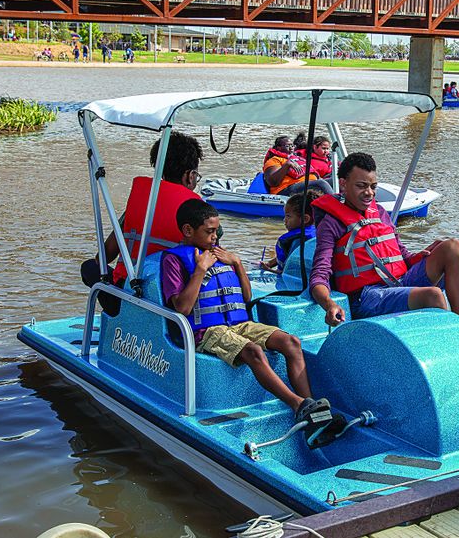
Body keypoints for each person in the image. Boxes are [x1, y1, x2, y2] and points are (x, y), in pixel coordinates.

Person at [162, 199, 343, 447]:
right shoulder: (174, 260)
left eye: (217, 231)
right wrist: (200, 269)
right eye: (209, 232)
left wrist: (236, 263)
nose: (215, 237)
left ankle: (311, 408)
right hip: (206, 331)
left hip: (239, 322)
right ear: (188, 230)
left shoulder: (222, 255)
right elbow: (181, 308)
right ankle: (297, 404)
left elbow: (246, 297)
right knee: (253, 351)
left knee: (291, 342)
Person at [310, 152, 459, 325]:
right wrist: (329, 304)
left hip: (398, 282)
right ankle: (451, 344)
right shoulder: (330, 223)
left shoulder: (379, 212)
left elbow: (401, 254)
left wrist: (419, 256)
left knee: (452, 247)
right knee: (433, 295)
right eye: (361, 186)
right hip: (366, 297)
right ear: (343, 184)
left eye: (373, 186)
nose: (369, 193)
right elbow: (319, 274)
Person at [80, 132, 203, 316]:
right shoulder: (200, 211)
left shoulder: (140, 200)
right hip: (170, 300)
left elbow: (103, 258)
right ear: (190, 176)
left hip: (127, 293)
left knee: (90, 267)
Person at [261, 191, 320, 273]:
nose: (284, 220)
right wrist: (270, 263)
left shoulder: (299, 241)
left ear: (305, 219)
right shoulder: (319, 233)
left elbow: (290, 274)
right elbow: (289, 255)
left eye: (288, 216)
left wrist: (269, 270)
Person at [262, 135, 334, 196]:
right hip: (286, 189)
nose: (291, 148)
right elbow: (272, 182)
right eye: (287, 146)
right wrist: (286, 165)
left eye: (292, 145)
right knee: (320, 183)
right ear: (278, 147)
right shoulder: (274, 160)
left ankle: (342, 203)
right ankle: (336, 205)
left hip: (308, 184)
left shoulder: (298, 159)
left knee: (334, 180)